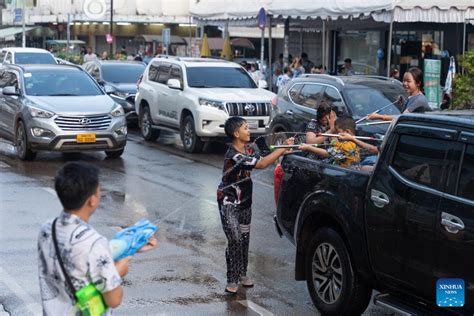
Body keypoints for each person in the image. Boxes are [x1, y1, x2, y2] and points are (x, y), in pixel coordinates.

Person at [38, 162, 157, 314]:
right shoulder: (94, 243)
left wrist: (129, 247)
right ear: (92, 200)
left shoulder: (47, 229)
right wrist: (118, 271)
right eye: (99, 190)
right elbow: (114, 300)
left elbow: (75, 260)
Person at [217, 117, 294, 294]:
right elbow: (262, 163)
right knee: (235, 238)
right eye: (245, 128)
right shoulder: (234, 155)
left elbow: (266, 155)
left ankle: (243, 273)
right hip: (228, 202)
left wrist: (286, 147)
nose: (249, 130)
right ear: (236, 134)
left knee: (244, 240)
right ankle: (232, 278)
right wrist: (282, 149)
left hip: (245, 202)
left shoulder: (250, 148)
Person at [299, 117, 377, 168]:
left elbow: (326, 153)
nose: (336, 135)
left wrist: (308, 148)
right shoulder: (356, 142)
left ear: (347, 131)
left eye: (337, 132)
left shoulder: (346, 145)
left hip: (345, 174)